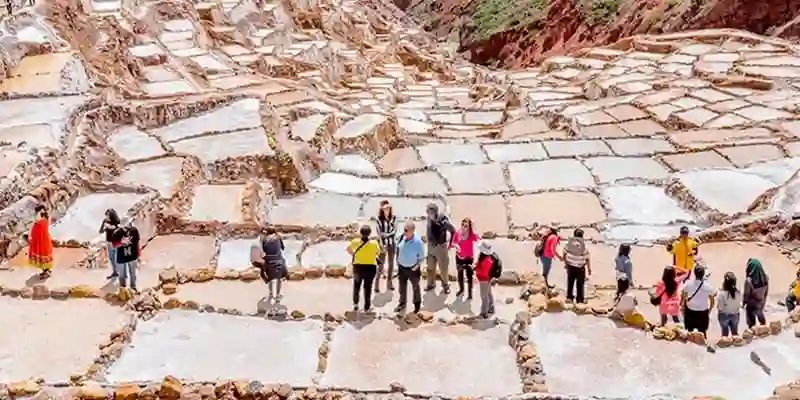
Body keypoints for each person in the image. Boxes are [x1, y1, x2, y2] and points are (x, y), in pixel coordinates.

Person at [347, 225, 381, 312]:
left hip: (358, 267)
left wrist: (354, 254)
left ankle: (355, 305)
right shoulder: (374, 243)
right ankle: (367, 307)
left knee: (356, 286)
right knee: (368, 288)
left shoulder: (355, 242)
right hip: (370, 267)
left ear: (360, 233)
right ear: (370, 233)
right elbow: (378, 253)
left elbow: (348, 250)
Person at [394, 221, 425, 313]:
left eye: (406, 230)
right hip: (402, 267)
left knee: (415, 287)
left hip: (413, 269)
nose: (405, 232)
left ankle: (417, 305)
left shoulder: (418, 242)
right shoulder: (401, 238)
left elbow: (422, 257)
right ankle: (402, 303)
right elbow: (397, 249)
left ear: (412, 231)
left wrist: (416, 266)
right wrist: (398, 262)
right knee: (402, 287)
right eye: (404, 229)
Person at [425, 203, 455, 294]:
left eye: (429, 212)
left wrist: (450, 244)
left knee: (443, 269)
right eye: (427, 211)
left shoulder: (443, 220)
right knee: (430, 267)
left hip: (441, 247)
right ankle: (431, 284)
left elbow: (453, 231)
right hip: (430, 246)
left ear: (434, 212)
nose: (427, 213)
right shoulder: (428, 219)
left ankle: (445, 285)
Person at [681, 265, 715, 338]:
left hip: (690, 312)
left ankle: (690, 346)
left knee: (689, 332)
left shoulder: (688, 284)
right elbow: (712, 301)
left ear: (694, 273)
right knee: (703, 332)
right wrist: (709, 311)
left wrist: (683, 308)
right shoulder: (708, 286)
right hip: (703, 313)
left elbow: (684, 296)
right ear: (703, 274)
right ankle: (704, 346)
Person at [453, 217, 479, 299]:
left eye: (466, 226)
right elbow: (453, 242)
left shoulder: (471, 234)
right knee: (460, 275)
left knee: (469, 276)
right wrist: (456, 246)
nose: (464, 227)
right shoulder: (458, 233)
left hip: (469, 258)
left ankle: (470, 293)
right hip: (459, 257)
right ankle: (461, 289)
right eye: (463, 225)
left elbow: (478, 239)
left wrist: (473, 230)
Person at [563, 228, 591, 304]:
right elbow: (587, 258)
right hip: (580, 267)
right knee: (580, 284)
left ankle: (569, 297)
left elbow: (564, 253)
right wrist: (589, 269)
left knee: (570, 282)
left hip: (570, 266)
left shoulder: (569, 244)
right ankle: (579, 299)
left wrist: (566, 263)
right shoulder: (583, 247)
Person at [260, 227, 288, 300]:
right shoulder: (278, 237)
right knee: (281, 276)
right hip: (278, 260)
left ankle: (270, 291)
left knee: (266, 275)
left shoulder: (264, 239)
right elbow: (283, 248)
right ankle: (277, 294)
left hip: (269, 261)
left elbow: (264, 249)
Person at [475, 241, 501, 318]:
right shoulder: (487, 257)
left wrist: (476, 269)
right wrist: (476, 266)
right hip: (487, 279)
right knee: (488, 293)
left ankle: (484, 312)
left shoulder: (487, 260)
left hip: (484, 279)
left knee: (484, 296)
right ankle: (491, 308)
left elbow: (483, 272)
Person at [111, 223, 140, 292]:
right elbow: (114, 245)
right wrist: (121, 243)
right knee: (122, 273)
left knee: (133, 272)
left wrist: (138, 254)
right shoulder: (117, 233)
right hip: (121, 256)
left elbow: (137, 241)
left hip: (132, 255)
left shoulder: (134, 230)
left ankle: (133, 287)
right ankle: (123, 289)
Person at [375, 200, 397, 293]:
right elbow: (379, 233)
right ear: (382, 209)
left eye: (388, 208)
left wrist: (386, 234)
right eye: (385, 208)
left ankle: (389, 283)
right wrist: (381, 243)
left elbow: (395, 230)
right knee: (381, 264)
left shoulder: (394, 217)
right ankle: (376, 284)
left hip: (392, 243)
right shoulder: (378, 219)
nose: (386, 210)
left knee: (391, 264)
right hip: (382, 244)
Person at [28, 205, 53, 279]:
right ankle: (46, 270)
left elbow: (36, 222)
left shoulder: (42, 219)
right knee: (43, 255)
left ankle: (46, 271)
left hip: (42, 240)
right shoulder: (43, 218)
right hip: (40, 240)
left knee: (43, 255)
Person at [743, 258, 769, 329]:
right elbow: (766, 291)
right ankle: (764, 329)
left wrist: (743, 303)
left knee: (751, 322)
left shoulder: (749, 281)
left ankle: (752, 330)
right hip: (761, 302)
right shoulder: (765, 278)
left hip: (752, 304)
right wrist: (763, 300)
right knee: (761, 317)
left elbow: (746, 295)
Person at [99, 208, 122, 280]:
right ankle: (115, 272)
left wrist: (113, 227)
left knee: (117, 258)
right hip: (109, 242)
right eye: (106, 215)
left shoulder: (116, 221)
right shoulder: (105, 221)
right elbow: (100, 231)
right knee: (111, 258)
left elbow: (119, 230)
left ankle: (121, 272)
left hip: (116, 241)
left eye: (108, 215)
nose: (107, 217)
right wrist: (104, 227)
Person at [717, 272, 741, 337]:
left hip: (724, 315)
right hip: (735, 315)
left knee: (725, 335)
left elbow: (720, 307)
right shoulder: (738, 292)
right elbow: (739, 305)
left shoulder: (721, 294)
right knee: (735, 334)